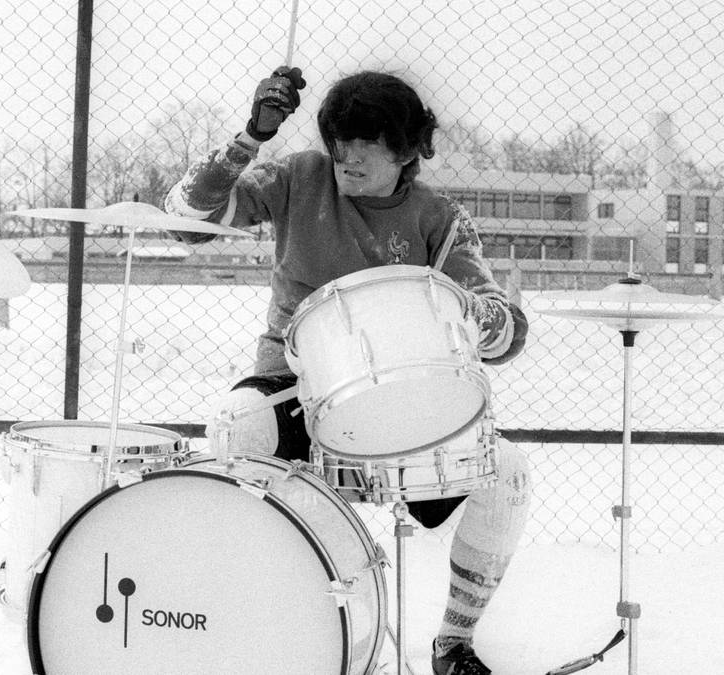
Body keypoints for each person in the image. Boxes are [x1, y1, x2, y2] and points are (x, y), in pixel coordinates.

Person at [164, 67, 531, 675]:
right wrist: (251, 136)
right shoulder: (296, 178)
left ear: (408, 149)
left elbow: (504, 330)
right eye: (340, 145)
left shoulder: (440, 218)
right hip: (291, 383)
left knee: (507, 473)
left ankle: (454, 644)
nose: (347, 159)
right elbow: (185, 221)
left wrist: (483, 316)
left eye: (368, 146)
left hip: (402, 402)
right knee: (235, 424)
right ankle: (277, 621)